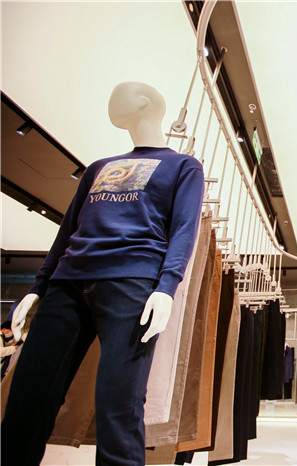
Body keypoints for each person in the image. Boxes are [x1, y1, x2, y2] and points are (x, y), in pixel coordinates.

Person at [1, 82, 204, 466]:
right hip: (66, 283)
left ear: (144, 102)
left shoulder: (183, 166)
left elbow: (184, 229)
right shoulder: (98, 167)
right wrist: (38, 286)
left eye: (122, 93)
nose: (112, 100)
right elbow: (67, 231)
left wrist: (167, 286)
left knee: (119, 402)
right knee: (29, 394)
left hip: (132, 283)